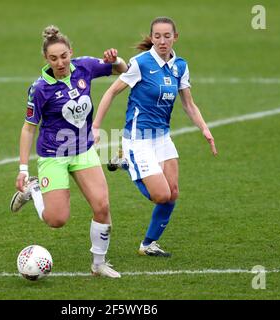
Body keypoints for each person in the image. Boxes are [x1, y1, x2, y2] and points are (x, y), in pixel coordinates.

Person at [92, 17, 217, 257]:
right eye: (157, 36)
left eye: (167, 36)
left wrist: (204, 128)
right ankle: (127, 163)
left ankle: (148, 244)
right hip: (139, 139)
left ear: (175, 37)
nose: (162, 41)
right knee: (161, 195)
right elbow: (111, 92)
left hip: (162, 138)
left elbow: (189, 105)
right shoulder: (140, 63)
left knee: (173, 193)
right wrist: (97, 126)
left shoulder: (180, 65)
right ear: (152, 37)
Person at [9, 25, 128, 277]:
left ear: (70, 53)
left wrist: (114, 59)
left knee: (102, 206)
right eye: (54, 58)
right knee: (56, 219)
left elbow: (123, 70)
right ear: (46, 59)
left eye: (64, 56)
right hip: (53, 155)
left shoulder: (84, 67)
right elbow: (28, 129)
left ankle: (99, 264)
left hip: (83, 150)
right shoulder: (40, 88)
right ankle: (34, 188)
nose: (60, 62)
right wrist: (22, 169)